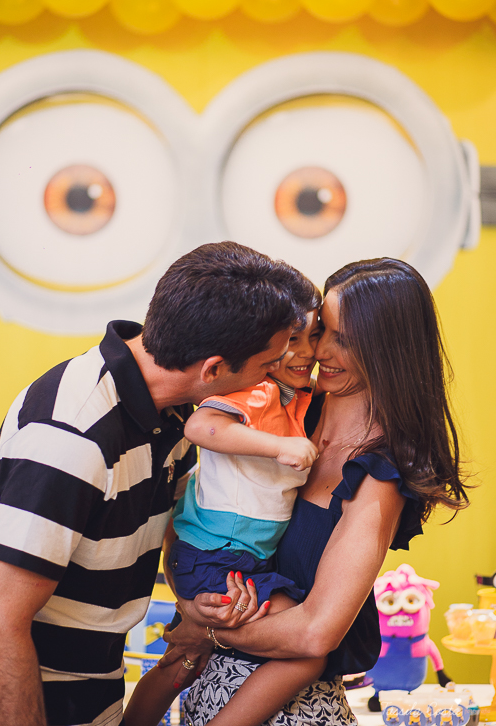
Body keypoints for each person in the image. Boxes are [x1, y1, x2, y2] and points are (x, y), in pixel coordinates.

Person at [0, 241, 315, 726]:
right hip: (21, 699)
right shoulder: (73, 435)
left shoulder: (173, 413)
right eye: (266, 366)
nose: (274, 376)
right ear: (213, 369)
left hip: (96, 685)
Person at [153, 258, 469, 726]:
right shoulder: (282, 410)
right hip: (202, 693)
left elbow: (315, 634)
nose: (319, 350)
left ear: (388, 350)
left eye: (343, 340)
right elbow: (201, 517)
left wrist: (209, 631)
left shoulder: (379, 475)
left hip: (292, 711)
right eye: (321, 330)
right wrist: (188, 597)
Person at [126, 292, 322, 726]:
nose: (307, 351)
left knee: (183, 660)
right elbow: (202, 425)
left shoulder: (298, 398)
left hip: (235, 557)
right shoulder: (259, 392)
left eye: (316, 336)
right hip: (217, 556)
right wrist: (278, 446)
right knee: (307, 645)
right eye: (293, 339)